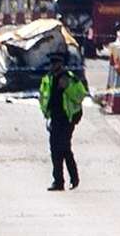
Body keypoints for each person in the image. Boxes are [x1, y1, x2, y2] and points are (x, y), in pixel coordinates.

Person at [39, 53, 87, 191]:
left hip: (68, 118)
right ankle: (58, 181)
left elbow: (80, 96)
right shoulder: (48, 79)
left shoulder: (70, 79)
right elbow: (43, 96)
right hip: (54, 118)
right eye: (52, 64)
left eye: (56, 64)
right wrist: (46, 113)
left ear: (61, 64)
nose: (54, 66)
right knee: (55, 150)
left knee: (64, 148)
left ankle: (74, 178)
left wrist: (67, 88)